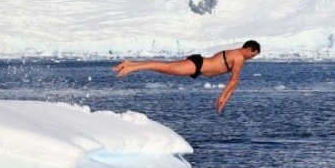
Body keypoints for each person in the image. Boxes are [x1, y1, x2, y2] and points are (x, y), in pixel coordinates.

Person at [112, 40, 261, 113]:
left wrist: (224, 98)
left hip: (198, 65)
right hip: (198, 65)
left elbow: (235, 82)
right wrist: (222, 97)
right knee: (164, 67)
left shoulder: (235, 54)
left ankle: (130, 64)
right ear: (249, 49)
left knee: (164, 68)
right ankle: (130, 67)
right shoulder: (238, 57)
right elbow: (233, 80)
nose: (251, 58)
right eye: (252, 55)